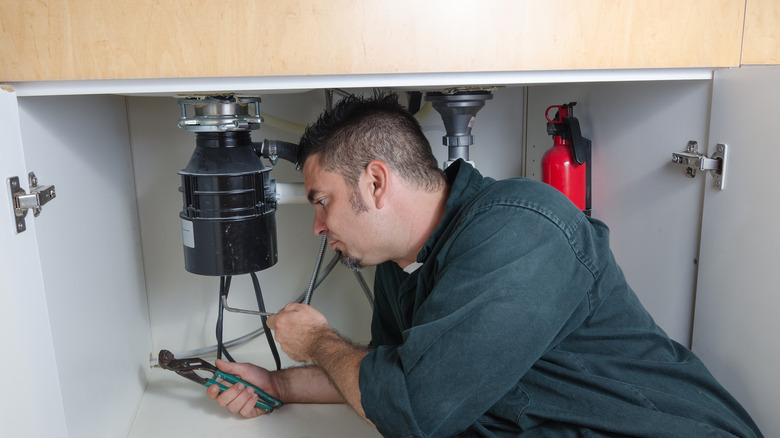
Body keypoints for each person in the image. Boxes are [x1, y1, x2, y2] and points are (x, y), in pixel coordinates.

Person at [207, 93, 763, 437]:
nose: (318, 226)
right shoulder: (400, 266)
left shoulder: (521, 229)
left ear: (375, 183)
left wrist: (316, 342)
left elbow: (411, 410)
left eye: (321, 200)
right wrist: (277, 382)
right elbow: (385, 376)